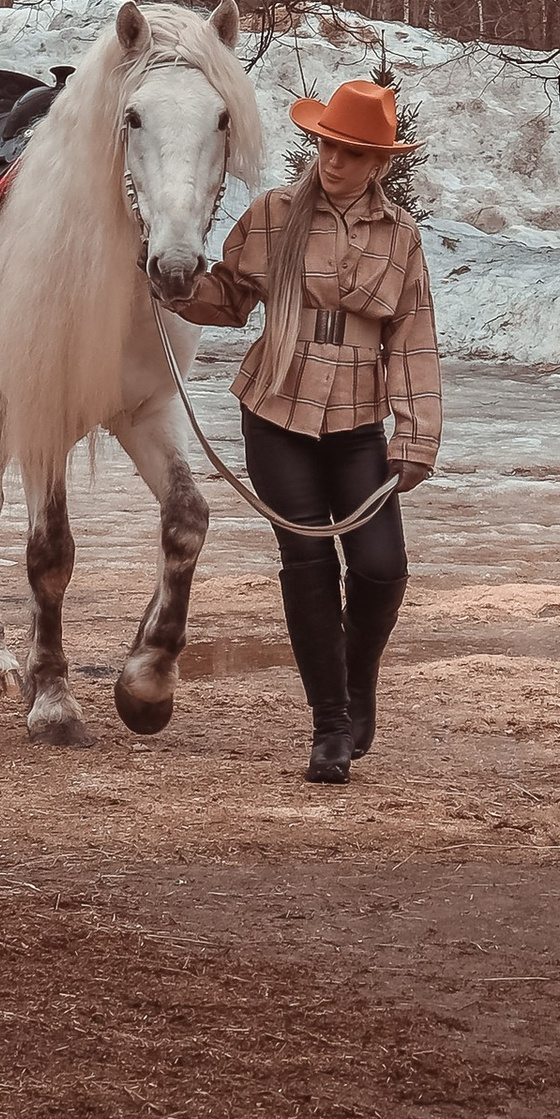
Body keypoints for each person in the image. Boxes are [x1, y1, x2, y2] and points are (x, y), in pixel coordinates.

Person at [177, 76, 441, 785]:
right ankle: (329, 726)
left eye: (352, 153)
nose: (334, 162)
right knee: (308, 564)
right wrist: (173, 283)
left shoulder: (401, 238)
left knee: (382, 568)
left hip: (358, 422)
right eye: (328, 146)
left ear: (379, 163)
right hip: (276, 412)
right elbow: (230, 300)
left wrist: (417, 434)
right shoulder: (275, 214)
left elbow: (413, 339)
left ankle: (359, 686)